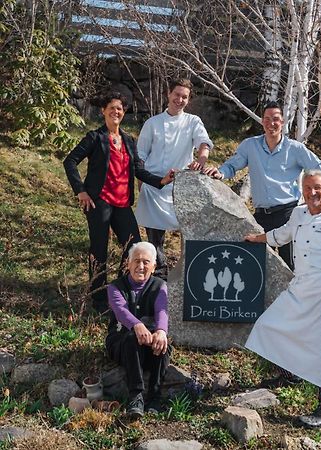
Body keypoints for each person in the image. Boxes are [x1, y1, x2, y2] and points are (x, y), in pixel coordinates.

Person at [244, 169, 321, 428]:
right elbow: (283, 234)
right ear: (302, 190)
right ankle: (289, 375)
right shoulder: (300, 213)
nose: (312, 193)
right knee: (268, 326)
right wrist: (257, 239)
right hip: (300, 288)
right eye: (307, 188)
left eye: (317, 188)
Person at [63, 91, 175, 314]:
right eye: (112, 108)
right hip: (99, 203)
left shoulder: (128, 140)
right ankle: (99, 300)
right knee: (99, 251)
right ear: (103, 111)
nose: (116, 112)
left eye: (120, 109)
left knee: (133, 248)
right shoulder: (94, 137)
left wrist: (161, 180)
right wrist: (81, 191)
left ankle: (123, 292)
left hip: (122, 203)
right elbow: (70, 162)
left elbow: (139, 170)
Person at [202, 101, 321, 270]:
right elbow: (231, 166)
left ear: (282, 122)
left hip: (288, 215)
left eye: (276, 119)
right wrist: (220, 172)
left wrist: (310, 191)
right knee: (254, 265)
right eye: (267, 119)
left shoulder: (295, 149)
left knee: (290, 266)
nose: (271, 123)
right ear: (262, 122)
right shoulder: (250, 145)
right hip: (261, 216)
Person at [135, 78, 213, 279]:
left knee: (188, 234)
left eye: (184, 97)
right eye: (177, 95)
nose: (180, 99)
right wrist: (141, 182)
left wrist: (201, 160)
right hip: (154, 187)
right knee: (155, 240)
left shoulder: (193, 121)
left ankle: (189, 273)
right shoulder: (152, 123)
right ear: (168, 94)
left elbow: (203, 143)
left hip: (181, 186)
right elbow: (140, 155)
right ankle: (158, 276)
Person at [106, 241, 170, 418]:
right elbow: (121, 311)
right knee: (131, 338)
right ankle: (136, 396)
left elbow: (162, 312)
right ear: (128, 263)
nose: (140, 266)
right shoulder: (115, 287)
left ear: (154, 266)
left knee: (163, 344)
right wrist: (137, 325)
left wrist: (161, 331)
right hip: (121, 344)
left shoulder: (159, 286)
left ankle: (155, 396)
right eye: (136, 261)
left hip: (148, 345)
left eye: (146, 262)